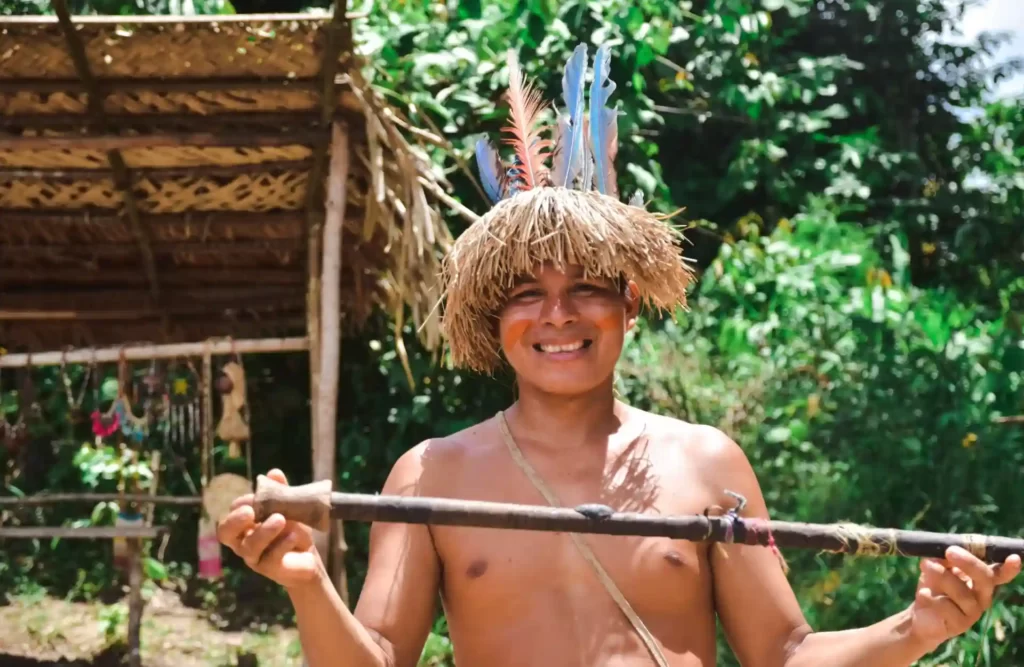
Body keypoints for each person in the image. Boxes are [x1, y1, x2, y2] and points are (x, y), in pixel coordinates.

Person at [217, 44, 1021, 667]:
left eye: (588, 289)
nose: (558, 315)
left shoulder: (706, 463)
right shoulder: (430, 475)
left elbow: (784, 652)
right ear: (494, 320)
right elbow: (380, 657)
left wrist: (916, 629)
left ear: (630, 304)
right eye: (526, 293)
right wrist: (307, 581)